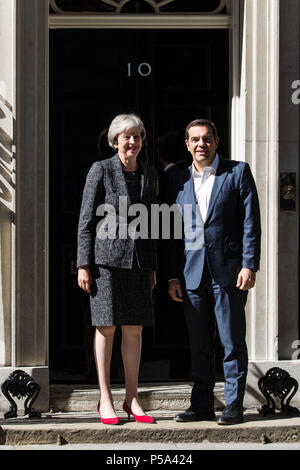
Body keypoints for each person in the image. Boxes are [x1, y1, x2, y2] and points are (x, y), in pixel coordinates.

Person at [167, 118, 261, 425]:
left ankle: (234, 404)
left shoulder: (237, 172)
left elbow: (250, 223)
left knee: (231, 340)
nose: (201, 144)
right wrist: (172, 275)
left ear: (217, 141)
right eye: (194, 139)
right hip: (191, 274)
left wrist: (249, 263)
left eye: (206, 139)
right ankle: (202, 404)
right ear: (187, 145)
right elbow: (171, 230)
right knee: (199, 343)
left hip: (229, 271)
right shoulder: (177, 179)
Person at [77, 113, 157, 425]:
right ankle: (105, 397)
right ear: (115, 141)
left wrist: (152, 265)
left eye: (137, 136)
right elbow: (86, 219)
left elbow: (150, 224)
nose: (132, 141)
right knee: (107, 328)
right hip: (106, 262)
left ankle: (132, 397)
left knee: (134, 330)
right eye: (126, 136)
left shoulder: (149, 174)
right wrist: (84, 263)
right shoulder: (101, 170)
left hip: (138, 263)